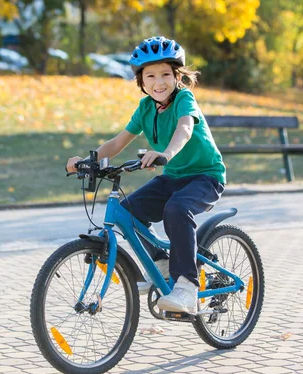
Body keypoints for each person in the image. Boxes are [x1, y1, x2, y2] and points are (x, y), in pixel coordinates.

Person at [66, 36, 226, 315]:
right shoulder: (145, 108)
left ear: (177, 76)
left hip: (205, 177)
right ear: (141, 81)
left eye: (165, 74)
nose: (158, 82)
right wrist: (87, 161)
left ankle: (187, 287)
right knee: (128, 212)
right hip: (174, 177)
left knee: (176, 208)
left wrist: (167, 153)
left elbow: (185, 130)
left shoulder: (184, 99)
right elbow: (117, 142)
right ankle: (161, 265)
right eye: (150, 75)